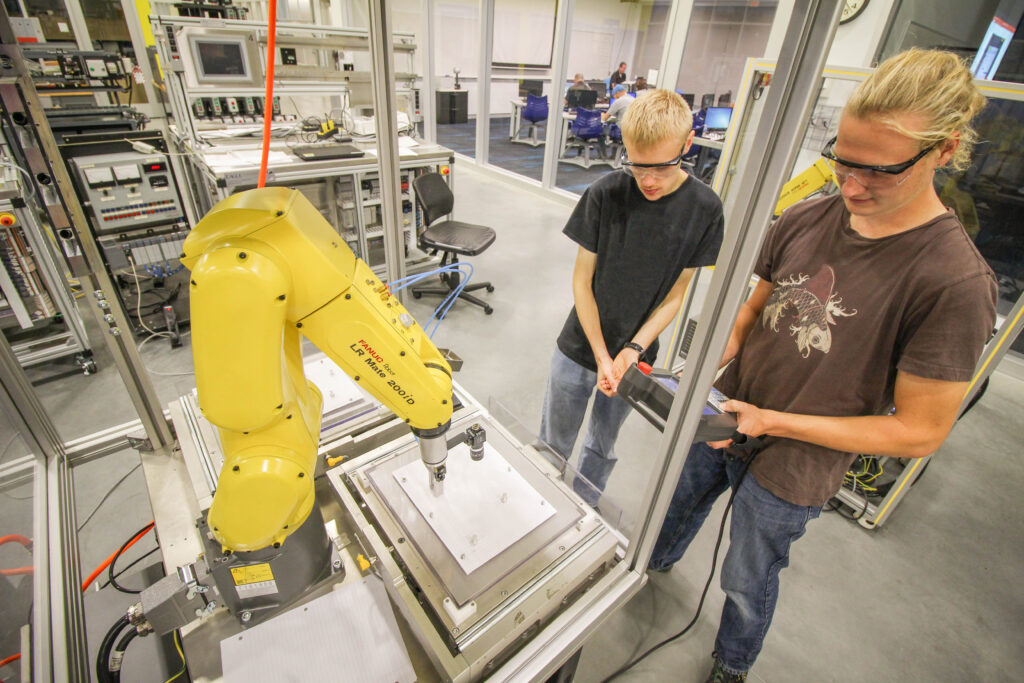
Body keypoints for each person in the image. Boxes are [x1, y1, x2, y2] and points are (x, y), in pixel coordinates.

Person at [648, 48, 997, 682]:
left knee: (747, 577)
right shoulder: (812, 212)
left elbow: (920, 431)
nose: (852, 186)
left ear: (944, 151)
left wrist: (773, 422)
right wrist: (705, 363)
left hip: (799, 463)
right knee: (675, 507)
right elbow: (754, 309)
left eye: (879, 172)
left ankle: (733, 662)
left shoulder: (953, 281)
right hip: (725, 413)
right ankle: (650, 570)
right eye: (843, 161)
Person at [539, 90, 724, 506]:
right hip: (578, 347)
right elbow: (582, 282)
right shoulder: (606, 193)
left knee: (601, 448)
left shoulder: (705, 209)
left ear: (687, 144)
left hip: (636, 360)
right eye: (637, 167)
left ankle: (583, 511)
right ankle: (545, 509)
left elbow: (676, 296)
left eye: (661, 166)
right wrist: (603, 355)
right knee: (553, 443)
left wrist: (632, 350)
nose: (649, 181)